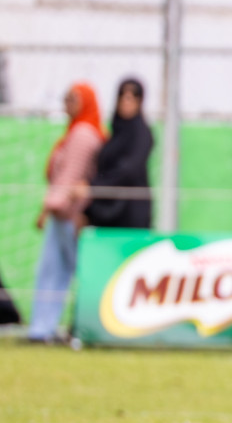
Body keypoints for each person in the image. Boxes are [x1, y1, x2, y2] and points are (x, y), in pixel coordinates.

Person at [29, 82, 105, 342]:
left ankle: (64, 328)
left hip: (69, 215)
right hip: (62, 211)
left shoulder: (83, 133)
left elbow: (69, 178)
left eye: (72, 99)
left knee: (69, 272)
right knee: (54, 273)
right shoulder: (76, 131)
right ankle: (43, 329)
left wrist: (49, 208)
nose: (66, 105)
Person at [85, 77, 155, 230]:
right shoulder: (116, 133)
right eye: (122, 95)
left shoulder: (141, 133)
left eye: (133, 96)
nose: (126, 101)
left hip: (130, 212)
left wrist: (93, 187)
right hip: (108, 210)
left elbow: (128, 169)